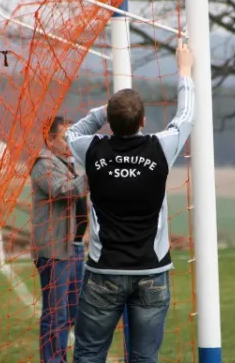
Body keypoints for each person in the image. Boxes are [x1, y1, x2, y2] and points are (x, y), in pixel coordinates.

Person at [65, 39, 194, 362]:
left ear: (110, 121)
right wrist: (184, 70)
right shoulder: (160, 148)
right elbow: (187, 116)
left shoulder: (93, 149)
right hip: (152, 272)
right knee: (143, 359)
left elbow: (71, 133)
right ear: (142, 121)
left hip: (104, 273)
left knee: (89, 355)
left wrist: (104, 111)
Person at [30, 116, 89, 363]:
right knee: (56, 314)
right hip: (55, 251)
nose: (69, 143)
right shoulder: (43, 164)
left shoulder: (66, 162)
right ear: (50, 138)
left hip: (73, 247)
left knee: (73, 312)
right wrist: (93, 172)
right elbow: (64, 191)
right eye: (65, 138)